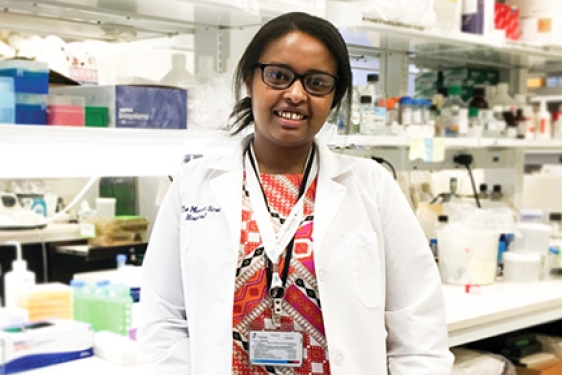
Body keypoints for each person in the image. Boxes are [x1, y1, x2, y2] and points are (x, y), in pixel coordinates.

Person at [139, 11, 453, 375]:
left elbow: (418, 323)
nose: (295, 94)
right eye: (278, 76)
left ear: (333, 97)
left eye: (317, 83)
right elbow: (163, 320)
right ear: (248, 80)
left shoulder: (372, 185)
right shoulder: (193, 184)